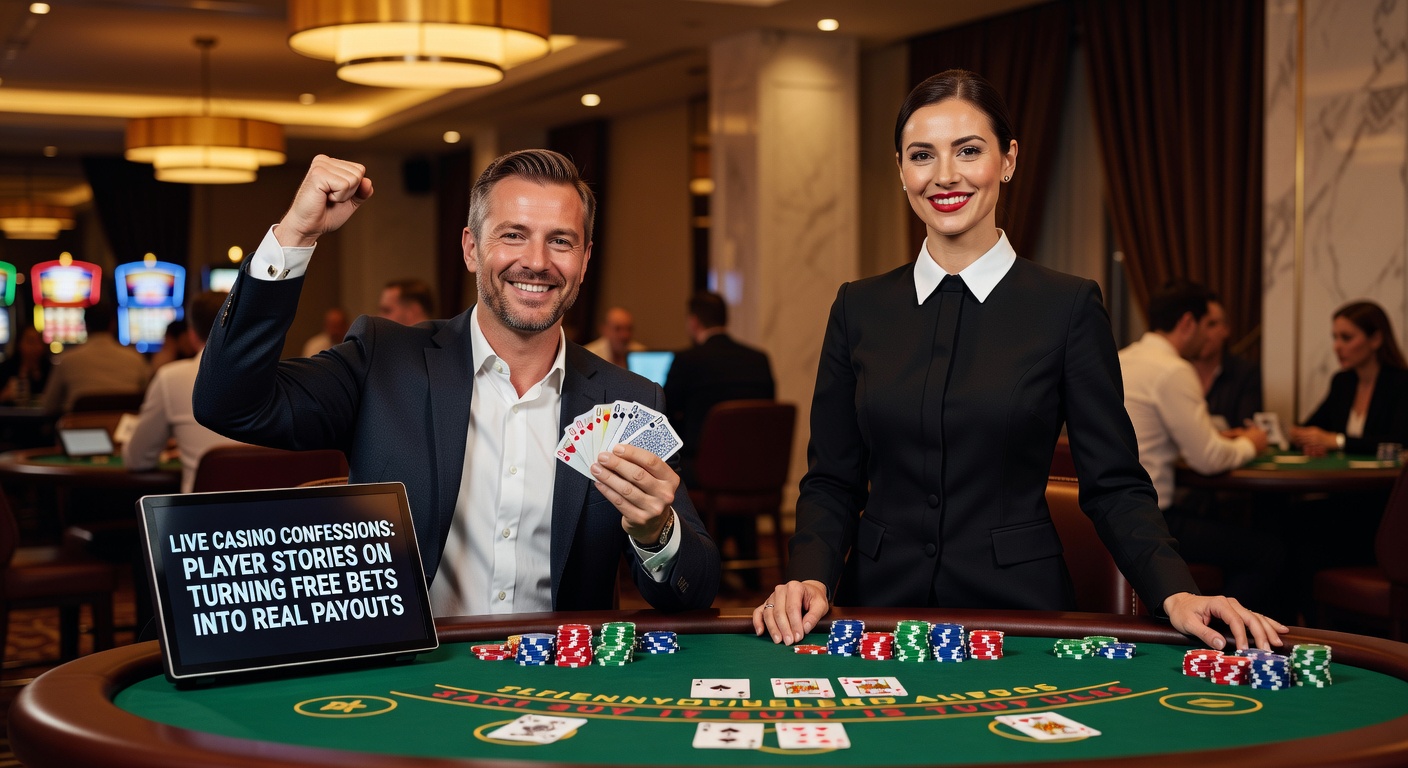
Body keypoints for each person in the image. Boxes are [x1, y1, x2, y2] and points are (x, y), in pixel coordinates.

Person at [755, 69, 1286, 652]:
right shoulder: (858, 307)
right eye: (922, 155)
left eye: (969, 151)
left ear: (1008, 159)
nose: (945, 175)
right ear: (901, 170)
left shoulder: (1069, 306)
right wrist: (808, 576)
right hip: (877, 610)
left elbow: (1113, 484)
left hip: (1019, 615)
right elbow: (832, 479)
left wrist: (1175, 592)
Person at [193, 151, 719, 616]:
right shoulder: (384, 361)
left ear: (583, 262)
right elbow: (229, 403)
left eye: (560, 241)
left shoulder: (630, 400)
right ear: (470, 248)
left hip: (559, 691)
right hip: (404, 691)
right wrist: (296, 234)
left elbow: (692, 592)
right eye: (512, 235)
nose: (536, 262)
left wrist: (657, 533)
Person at [1119, 282, 1283, 616]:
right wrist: (1250, 443)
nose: (1209, 338)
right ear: (1187, 323)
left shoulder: (1122, 359)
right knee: (1271, 552)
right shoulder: (1174, 370)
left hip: (1114, 516)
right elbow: (1208, 459)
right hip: (1154, 520)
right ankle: (1220, 627)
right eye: (1205, 326)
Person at [663, 291, 776, 587]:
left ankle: (701, 567)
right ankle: (747, 569)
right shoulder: (758, 360)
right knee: (727, 462)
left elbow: (664, 419)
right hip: (758, 474)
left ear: (693, 322)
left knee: (681, 466)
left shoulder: (688, 361)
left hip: (705, 475)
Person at [124, 292, 248, 493]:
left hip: (199, 520)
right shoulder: (278, 374)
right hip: (276, 518)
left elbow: (136, 459)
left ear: (191, 335)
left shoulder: (169, 378)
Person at [1290, 301, 1408, 456]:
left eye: (1346, 338)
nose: (1337, 347)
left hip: (1385, 478)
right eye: (1335, 337)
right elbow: (1314, 427)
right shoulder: (1342, 381)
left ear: (1376, 340)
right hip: (1343, 477)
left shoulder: (1401, 383)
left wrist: (1338, 441)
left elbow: (1399, 442)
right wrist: (1294, 434)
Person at [41, 301, 150, 414]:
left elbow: (49, 406)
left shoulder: (67, 360)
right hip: (123, 429)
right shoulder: (136, 358)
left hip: (80, 430)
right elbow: (147, 400)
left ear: (85, 326)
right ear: (112, 324)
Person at [1192, 298, 1263, 428]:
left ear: (1226, 329)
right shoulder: (1174, 371)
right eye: (1197, 324)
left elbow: (1248, 429)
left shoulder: (1246, 374)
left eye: (1211, 324)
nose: (1203, 333)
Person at [0, 326, 52, 404]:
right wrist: (4, 395)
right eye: (30, 342)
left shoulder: (49, 369)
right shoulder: (5, 368)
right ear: (19, 344)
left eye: (38, 342)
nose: (35, 347)